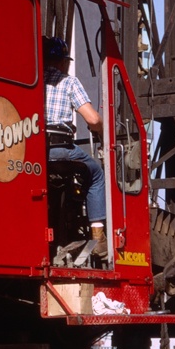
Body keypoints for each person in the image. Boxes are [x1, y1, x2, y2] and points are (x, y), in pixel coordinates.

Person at [43, 36, 107, 258]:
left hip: (36, 152)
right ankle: (98, 237)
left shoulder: (31, 81)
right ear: (63, 61)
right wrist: (101, 129)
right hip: (62, 149)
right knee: (96, 173)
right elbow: (92, 119)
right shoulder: (69, 82)